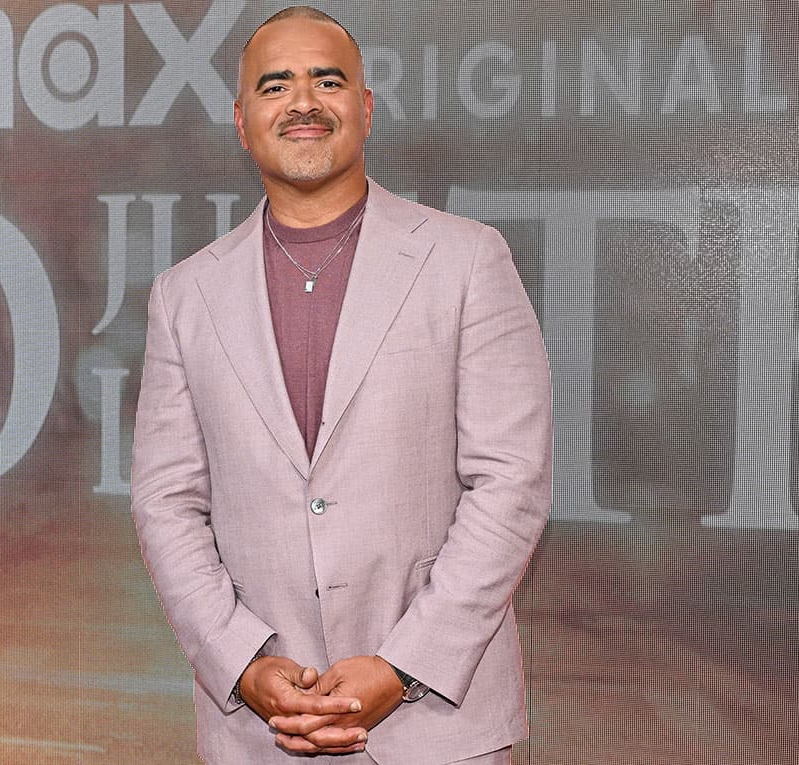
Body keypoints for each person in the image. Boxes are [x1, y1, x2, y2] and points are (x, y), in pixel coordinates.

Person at [130, 6, 551, 763]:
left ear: (365, 108)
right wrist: (241, 662)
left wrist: (402, 666)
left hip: (439, 726)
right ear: (241, 120)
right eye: (275, 85)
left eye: (327, 81)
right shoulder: (184, 295)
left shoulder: (468, 260)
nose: (303, 102)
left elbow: (511, 482)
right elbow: (167, 501)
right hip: (260, 729)